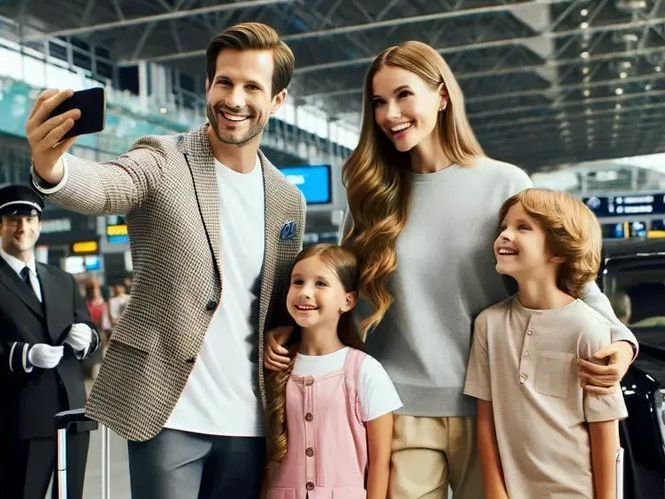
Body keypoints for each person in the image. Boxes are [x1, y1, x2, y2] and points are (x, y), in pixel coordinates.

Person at [265, 40, 637, 498]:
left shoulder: (504, 183)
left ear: (441, 96)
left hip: (495, 408)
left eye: (404, 95)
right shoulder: (370, 196)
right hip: (399, 407)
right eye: (379, 102)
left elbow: (568, 279)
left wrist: (621, 341)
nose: (390, 114)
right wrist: (290, 331)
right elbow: (340, 291)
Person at [25, 22, 305, 498]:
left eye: (252, 87)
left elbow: (280, 300)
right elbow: (105, 186)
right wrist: (53, 168)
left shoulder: (287, 201)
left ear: (277, 100)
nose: (235, 99)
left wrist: (287, 329)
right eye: (225, 82)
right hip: (169, 413)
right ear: (207, 86)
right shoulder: (164, 159)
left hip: (251, 419)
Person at [464, 188, 627, 498]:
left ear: (559, 251)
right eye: (504, 227)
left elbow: (605, 434)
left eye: (522, 227)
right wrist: (496, 491)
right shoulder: (489, 324)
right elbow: (485, 422)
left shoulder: (588, 329)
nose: (505, 236)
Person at [265, 243, 401, 499]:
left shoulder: (365, 371)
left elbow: (380, 465)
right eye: (298, 282)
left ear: (347, 301)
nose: (305, 292)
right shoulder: (277, 364)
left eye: (320, 283)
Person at [0, 184, 99, 499]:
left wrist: (88, 338)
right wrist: (24, 355)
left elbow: (89, 330)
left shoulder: (61, 279)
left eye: (30, 220)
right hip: (21, 417)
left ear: (39, 226)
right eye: (14, 219)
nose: (23, 227)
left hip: (72, 414)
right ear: (0, 225)